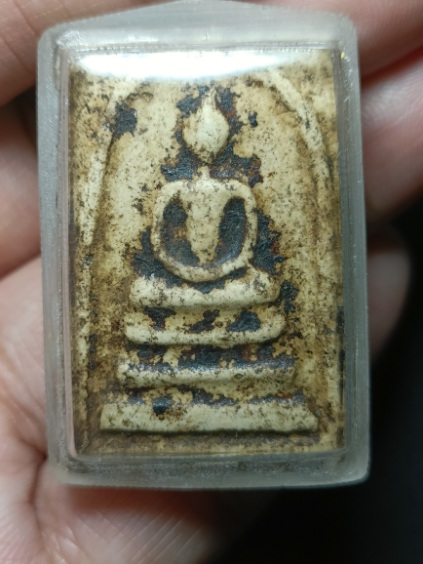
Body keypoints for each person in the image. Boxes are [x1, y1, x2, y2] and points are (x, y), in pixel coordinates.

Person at [0, 0, 420, 561]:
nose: (204, 146)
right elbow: (161, 243)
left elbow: (244, 244)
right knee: (147, 294)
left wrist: (219, 272)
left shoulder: (237, 188)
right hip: (179, 283)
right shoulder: (173, 189)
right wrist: (187, 272)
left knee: (261, 292)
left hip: (230, 282)